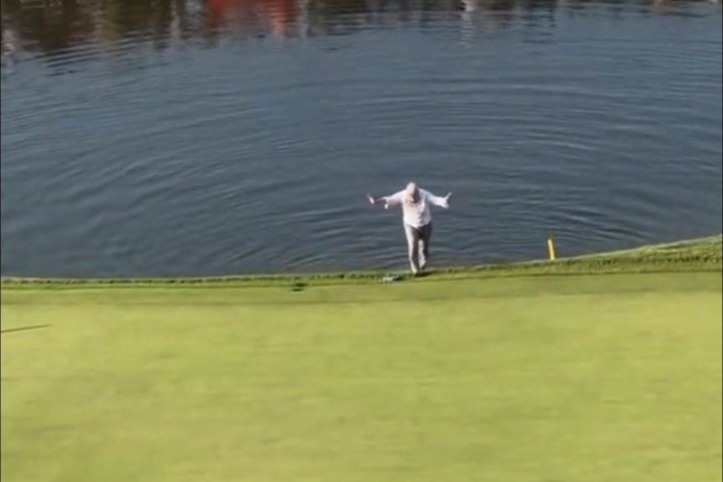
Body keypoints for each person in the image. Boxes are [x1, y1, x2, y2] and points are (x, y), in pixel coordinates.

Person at [367, 182, 452, 275]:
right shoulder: (402, 195)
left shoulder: (425, 194)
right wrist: (376, 201)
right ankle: (416, 271)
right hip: (410, 224)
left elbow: (436, 200)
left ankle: (422, 266)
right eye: (411, 198)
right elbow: (388, 199)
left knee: (424, 249)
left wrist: (444, 201)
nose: (413, 200)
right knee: (412, 247)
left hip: (426, 224)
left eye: (415, 198)